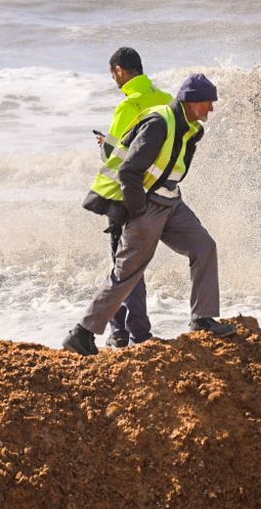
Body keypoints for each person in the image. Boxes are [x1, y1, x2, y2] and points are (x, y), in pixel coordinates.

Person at [63, 73, 237, 356]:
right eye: (208, 102)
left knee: (204, 247)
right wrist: (138, 211)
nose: (212, 109)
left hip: (171, 203)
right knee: (127, 272)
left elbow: (171, 169)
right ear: (191, 101)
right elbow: (128, 172)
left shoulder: (192, 128)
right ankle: (82, 333)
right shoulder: (159, 124)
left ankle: (202, 318)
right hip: (146, 206)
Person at [83, 47, 172, 348]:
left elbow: (120, 155)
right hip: (159, 193)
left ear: (120, 71)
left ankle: (126, 332)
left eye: (114, 76)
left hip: (124, 197)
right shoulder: (165, 100)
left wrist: (104, 144)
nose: (115, 81)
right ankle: (136, 331)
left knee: (123, 267)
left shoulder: (128, 106)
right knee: (136, 263)